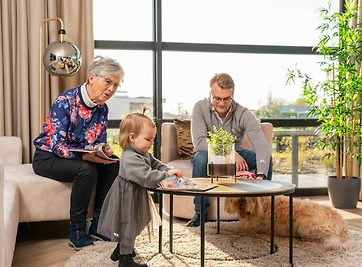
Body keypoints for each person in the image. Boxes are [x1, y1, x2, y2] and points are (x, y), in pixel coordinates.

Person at [32, 55, 124, 250]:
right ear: (92, 77)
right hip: (48, 157)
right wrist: (86, 156)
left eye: (116, 85)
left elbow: (98, 140)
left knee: (115, 164)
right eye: (108, 82)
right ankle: (77, 230)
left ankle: (99, 224)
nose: (111, 89)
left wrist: (103, 150)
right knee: (86, 170)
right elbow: (58, 145)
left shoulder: (102, 108)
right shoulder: (65, 101)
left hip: (78, 156)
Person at [97, 112, 183, 267]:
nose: (151, 143)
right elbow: (146, 176)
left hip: (136, 194)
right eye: (148, 139)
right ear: (132, 137)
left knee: (140, 221)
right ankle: (125, 260)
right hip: (127, 196)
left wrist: (168, 169)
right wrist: (167, 175)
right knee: (129, 225)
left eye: (153, 139)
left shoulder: (143, 152)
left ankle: (121, 249)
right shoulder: (130, 157)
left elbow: (156, 164)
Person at [187, 73, 273, 227]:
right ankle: (200, 212)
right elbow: (199, 143)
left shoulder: (243, 113)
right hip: (208, 155)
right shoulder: (199, 108)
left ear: (233, 94)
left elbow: (262, 145)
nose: (221, 103)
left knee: (265, 160)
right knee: (200, 158)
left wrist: (260, 176)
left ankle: (264, 211)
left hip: (237, 157)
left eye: (226, 99)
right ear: (210, 94)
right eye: (217, 98)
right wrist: (230, 152)